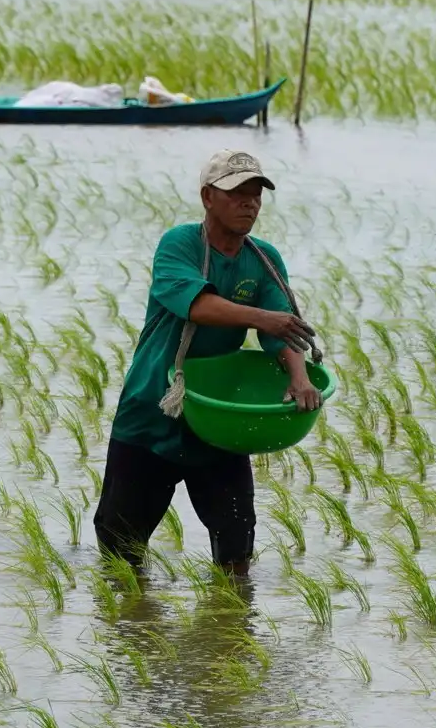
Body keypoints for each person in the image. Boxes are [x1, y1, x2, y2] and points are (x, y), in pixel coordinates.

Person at [93, 149, 322, 578]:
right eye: (237, 193)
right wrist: (259, 316)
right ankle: (127, 631)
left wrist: (299, 376)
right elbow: (197, 305)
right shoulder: (179, 244)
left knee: (237, 549)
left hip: (217, 420)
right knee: (120, 555)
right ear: (207, 197)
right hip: (152, 412)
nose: (249, 203)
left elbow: (281, 330)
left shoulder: (264, 258)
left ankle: (230, 631)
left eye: (256, 194)